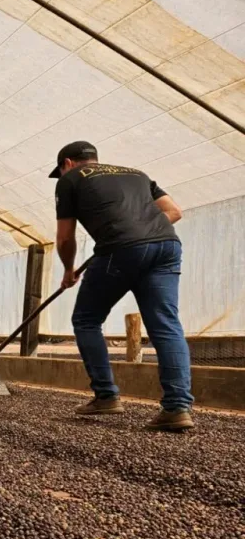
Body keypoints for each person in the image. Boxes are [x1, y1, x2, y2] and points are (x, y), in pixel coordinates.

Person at [51, 141, 194, 431]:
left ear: (67, 163)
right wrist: (143, 229)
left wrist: (68, 270)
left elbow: (65, 238)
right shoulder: (137, 174)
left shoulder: (70, 180)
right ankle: (177, 408)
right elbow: (174, 211)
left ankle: (106, 396)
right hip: (166, 246)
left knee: (86, 319)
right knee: (166, 325)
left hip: (120, 250)